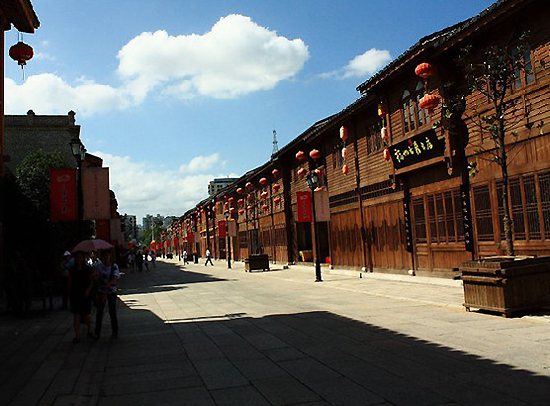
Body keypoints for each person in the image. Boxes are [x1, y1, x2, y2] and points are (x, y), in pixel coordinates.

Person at [68, 251, 96, 343]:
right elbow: (70, 282)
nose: (79, 259)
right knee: (76, 315)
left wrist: (88, 289)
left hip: (85, 293)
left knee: (86, 314)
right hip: (76, 294)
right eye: (77, 258)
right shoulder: (73, 270)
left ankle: (90, 330)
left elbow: (92, 282)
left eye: (80, 258)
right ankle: (77, 335)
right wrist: (69, 292)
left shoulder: (87, 270)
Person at [94, 250, 120, 339]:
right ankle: (97, 332)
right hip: (101, 292)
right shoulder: (98, 266)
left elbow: (115, 279)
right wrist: (98, 277)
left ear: (110, 256)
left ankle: (115, 331)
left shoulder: (114, 266)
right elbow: (96, 278)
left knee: (112, 311)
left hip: (111, 291)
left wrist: (108, 284)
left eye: (107, 255)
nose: (106, 257)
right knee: (99, 312)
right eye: (104, 256)